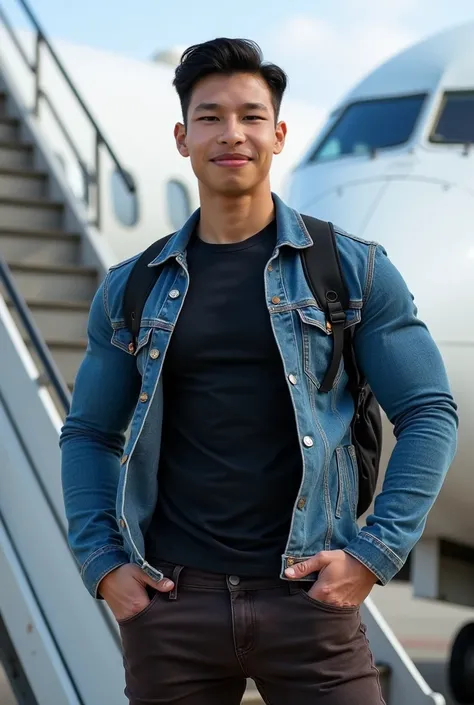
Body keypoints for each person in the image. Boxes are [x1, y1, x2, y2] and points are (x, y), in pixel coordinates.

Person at [60, 37, 458, 705]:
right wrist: (103, 564)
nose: (231, 133)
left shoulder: (353, 269)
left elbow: (428, 410)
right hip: (173, 603)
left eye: (250, 115)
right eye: (210, 117)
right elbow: (88, 434)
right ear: (183, 138)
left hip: (308, 599)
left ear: (278, 133)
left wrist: (374, 553)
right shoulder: (132, 288)